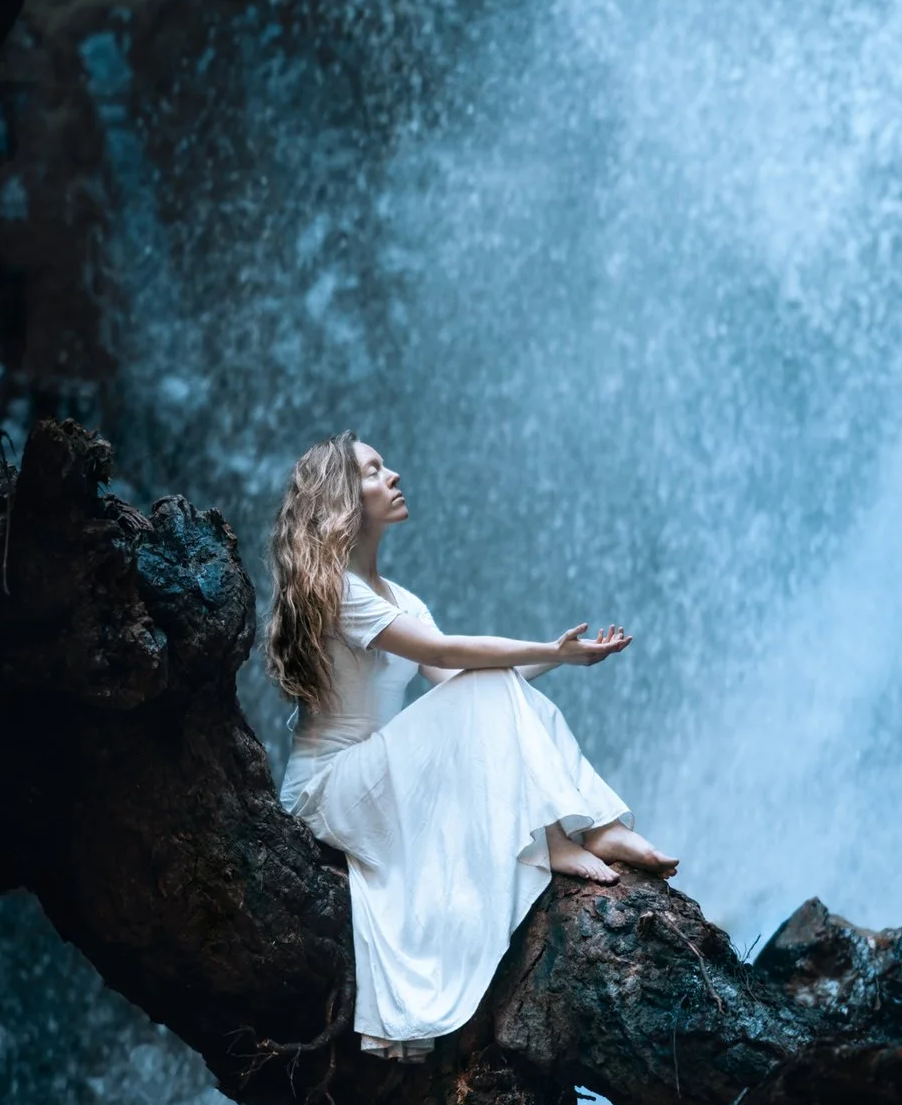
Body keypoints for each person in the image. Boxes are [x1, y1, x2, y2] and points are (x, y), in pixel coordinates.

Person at [265, 434, 679, 1055]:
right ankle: (564, 834)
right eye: (375, 472)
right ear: (343, 501)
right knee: (483, 683)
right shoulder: (340, 592)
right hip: (329, 792)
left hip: (378, 781)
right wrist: (550, 649)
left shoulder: (399, 599)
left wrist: (564, 661)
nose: (395, 475)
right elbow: (443, 653)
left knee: (489, 686)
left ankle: (593, 827)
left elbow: (462, 679)